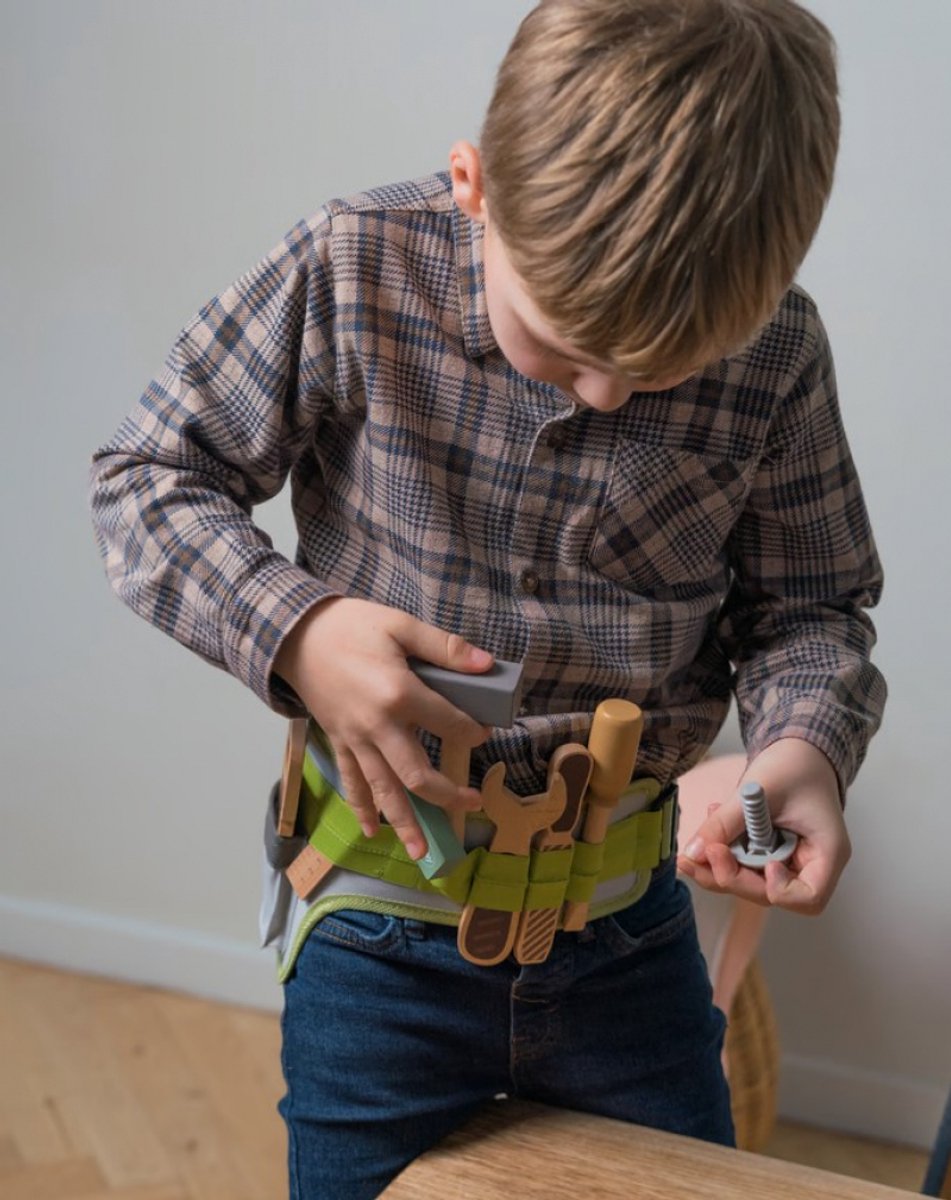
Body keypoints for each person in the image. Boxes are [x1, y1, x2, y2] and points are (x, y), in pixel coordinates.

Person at [89, 1, 886, 1196]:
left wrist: (801, 749)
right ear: (476, 187)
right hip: (377, 933)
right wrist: (297, 628)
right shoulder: (352, 263)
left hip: (629, 941)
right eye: (562, 348)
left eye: (666, 369)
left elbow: (812, 610)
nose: (611, 396)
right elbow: (146, 479)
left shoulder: (777, 352)